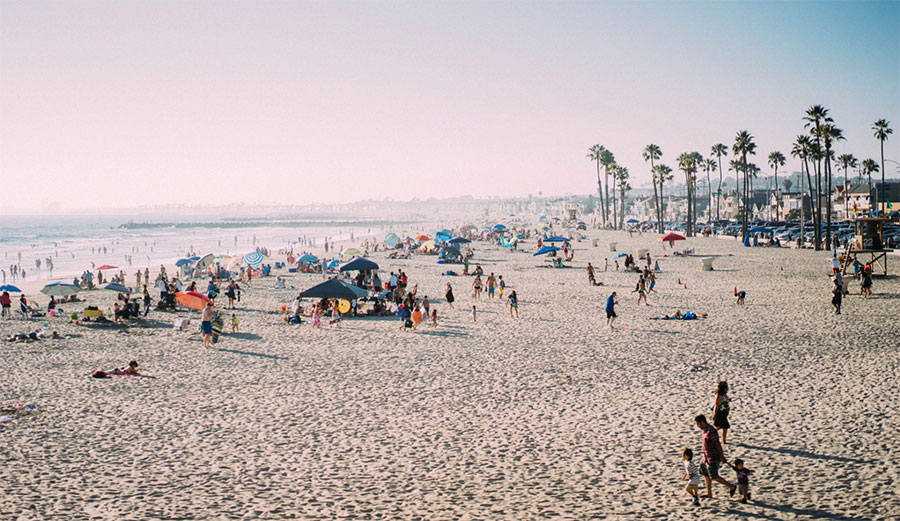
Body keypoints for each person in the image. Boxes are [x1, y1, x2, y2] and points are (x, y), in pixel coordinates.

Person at [695, 414, 736, 498]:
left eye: (698, 424)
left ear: (702, 422)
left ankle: (731, 486)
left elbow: (717, 444)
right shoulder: (705, 430)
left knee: (714, 476)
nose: (697, 426)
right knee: (705, 473)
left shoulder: (711, 431)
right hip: (706, 457)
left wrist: (722, 456)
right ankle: (709, 493)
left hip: (713, 457)